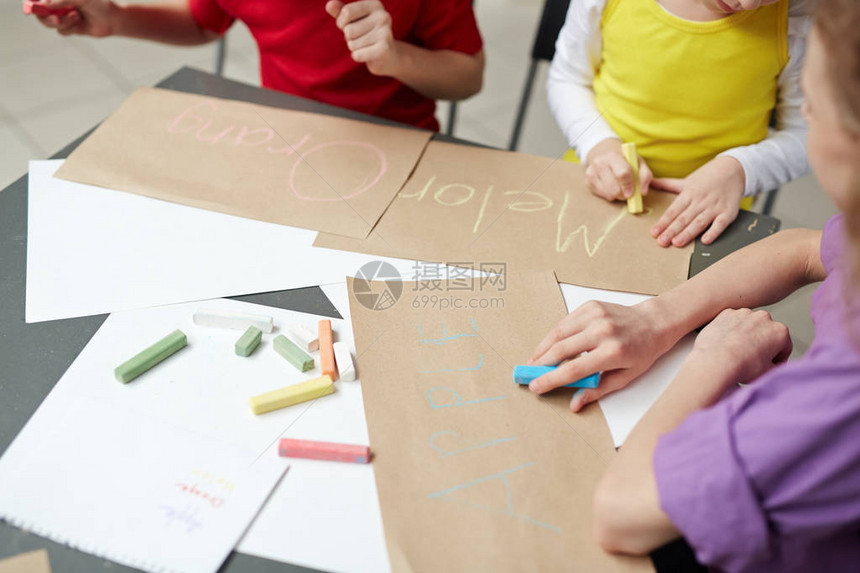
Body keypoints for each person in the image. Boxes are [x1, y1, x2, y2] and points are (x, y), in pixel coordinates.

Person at [529, 0, 860, 569]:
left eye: (813, 93)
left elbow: (619, 513)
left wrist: (715, 357)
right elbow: (806, 246)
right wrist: (660, 320)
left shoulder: (834, 406)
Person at [548, 0, 812, 247]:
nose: (749, 3)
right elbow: (568, 79)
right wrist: (597, 144)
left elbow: (808, 134)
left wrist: (741, 170)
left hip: (710, 218)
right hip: (595, 180)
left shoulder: (799, 18)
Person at [29, 0, 485, 131]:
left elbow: (468, 77)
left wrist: (394, 57)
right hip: (284, 141)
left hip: (401, 146)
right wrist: (118, 19)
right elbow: (203, 23)